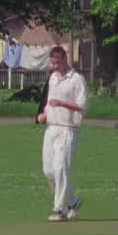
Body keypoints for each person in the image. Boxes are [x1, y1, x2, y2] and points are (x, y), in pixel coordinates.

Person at [33, 44, 87, 222]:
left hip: (67, 128)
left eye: (58, 63)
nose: (55, 66)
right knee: (49, 171)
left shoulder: (76, 79)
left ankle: (60, 210)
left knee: (60, 169)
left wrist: (62, 104)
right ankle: (73, 201)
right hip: (51, 128)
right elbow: (50, 102)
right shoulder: (53, 78)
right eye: (53, 63)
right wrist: (44, 114)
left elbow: (82, 106)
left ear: (65, 59)